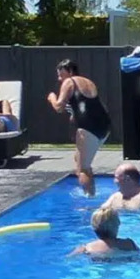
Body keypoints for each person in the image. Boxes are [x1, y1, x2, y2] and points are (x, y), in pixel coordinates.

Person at [48, 59, 112, 194]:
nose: (60, 79)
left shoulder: (69, 82)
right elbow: (90, 105)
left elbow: (59, 107)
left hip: (87, 128)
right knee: (80, 160)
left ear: (70, 72)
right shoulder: (88, 82)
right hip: (104, 126)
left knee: (82, 168)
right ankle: (90, 191)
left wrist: (52, 98)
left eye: (61, 74)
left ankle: (89, 200)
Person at [70, 206, 140, 259]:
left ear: (93, 226)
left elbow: (69, 259)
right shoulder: (129, 244)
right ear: (118, 223)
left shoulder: (87, 248)